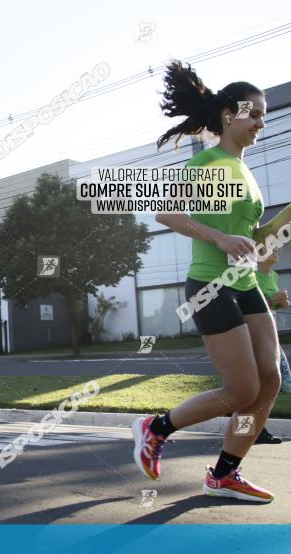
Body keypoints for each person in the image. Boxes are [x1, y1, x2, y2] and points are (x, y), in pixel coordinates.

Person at [133, 60, 280, 502]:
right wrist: (220, 237)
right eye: (252, 114)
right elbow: (166, 212)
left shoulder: (245, 172)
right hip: (209, 285)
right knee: (242, 390)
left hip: (245, 282)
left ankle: (224, 473)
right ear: (228, 115)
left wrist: (264, 247)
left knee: (269, 381)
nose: (259, 123)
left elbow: (246, 237)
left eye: (263, 117)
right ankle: (156, 428)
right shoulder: (210, 163)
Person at [252, 251, 289, 444]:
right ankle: (252, 431)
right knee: (256, 387)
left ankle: (254, 430)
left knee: (270, 384)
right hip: (254, 337)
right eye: (270, 247)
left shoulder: (273, 276)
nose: (275, 251)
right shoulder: (251, 277)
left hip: (270, 334)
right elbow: (246, 307)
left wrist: (281, 303)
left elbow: (269, 307)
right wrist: (273, 301)